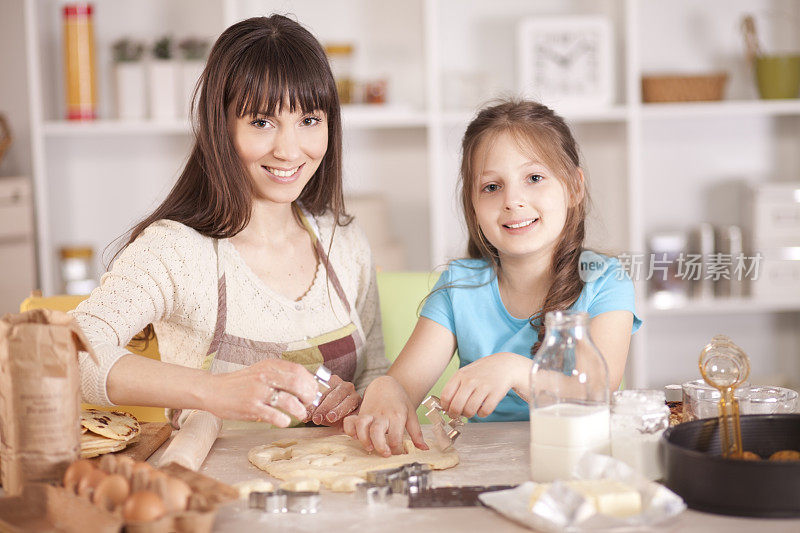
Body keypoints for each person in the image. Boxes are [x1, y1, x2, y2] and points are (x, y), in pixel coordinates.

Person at [72, 15, 388, 430]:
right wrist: (214, 390)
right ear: (222, 127)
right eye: (261, 122)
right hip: (214, 490)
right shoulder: (176, 251)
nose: (290, 150)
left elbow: (376, 372)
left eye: (309, 120)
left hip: (332, 489)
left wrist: (358, 401)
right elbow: (69, 356)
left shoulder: (343, 239)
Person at [344, 99, 641, 456]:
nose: (513, 200)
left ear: (574, 188)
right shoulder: (459, 287)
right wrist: (385, 389)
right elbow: (404, 386)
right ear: (472, 206)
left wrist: (516, 371)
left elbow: (597, 391)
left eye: (534, 178)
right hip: (483, 464)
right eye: (491, 187)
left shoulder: (604, 280)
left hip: (577, 459)